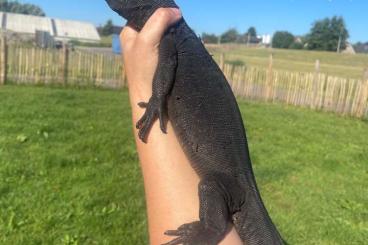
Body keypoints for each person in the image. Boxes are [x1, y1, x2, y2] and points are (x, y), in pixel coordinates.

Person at [120, 7, 243, 245]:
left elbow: (167, 64)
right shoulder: (173, 34)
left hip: (230, 189)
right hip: (230, 184)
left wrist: (150, 94)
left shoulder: (172, 35)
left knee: (211, 187)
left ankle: (211, 228)